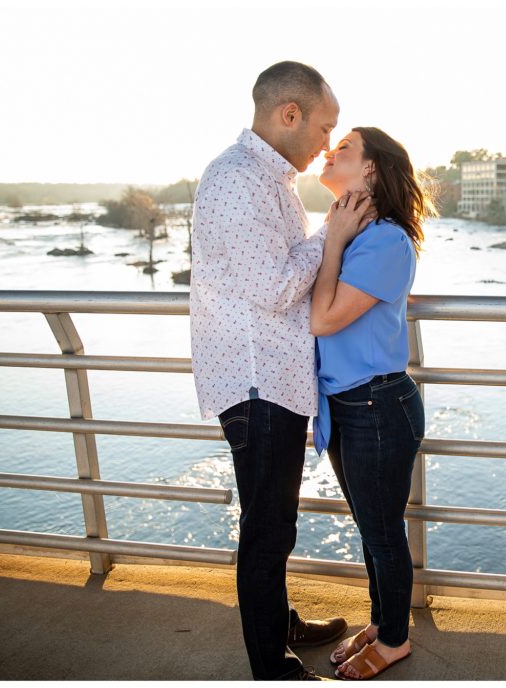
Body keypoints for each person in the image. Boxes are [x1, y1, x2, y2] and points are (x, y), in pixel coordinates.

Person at [189, 61, 373, 681]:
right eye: (324, 128)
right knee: (268, 529)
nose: (327, 142)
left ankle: (280, 618)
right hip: (255, 382)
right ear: (287, 115)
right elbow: (274, 287)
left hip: (273, 380)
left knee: (275, 521)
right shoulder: (237, 182)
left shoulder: (272, 180)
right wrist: (334, 233)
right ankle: (272, 665)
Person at [308, 128, 433, 680]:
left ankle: (396, 641)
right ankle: (382, 623)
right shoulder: (354, 231)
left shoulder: (384, 240)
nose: (331, 152)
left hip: (378, 407)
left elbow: (324, 318)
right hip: (349, 405)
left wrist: (333, 239)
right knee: (372, 529)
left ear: (372, 171)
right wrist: (334, 234)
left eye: (346, 148)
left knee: (382, 533)